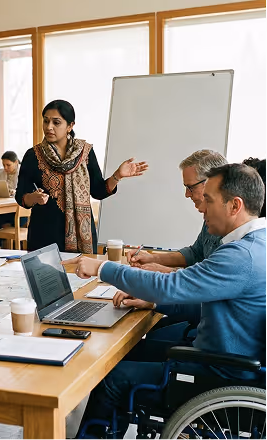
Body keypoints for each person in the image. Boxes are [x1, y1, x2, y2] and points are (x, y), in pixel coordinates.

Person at [65, 164, 266, 440]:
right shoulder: (257, 244)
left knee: (113, 378)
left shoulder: (241, 257)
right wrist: (153, 303)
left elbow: (167, 287)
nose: (202, 208)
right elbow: (211, 302)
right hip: (231, 360)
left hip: (219, 373)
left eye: (208, 200)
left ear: (235, 205)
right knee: (131, 352)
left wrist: (101, 268)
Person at [15, 100, 148, 254]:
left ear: (70, 126)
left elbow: (98, 191)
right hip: (44, 236)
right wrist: (34, 198)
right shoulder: (33, 155)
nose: (49, 127)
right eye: (46, 121)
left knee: (82, 276)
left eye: (56, 122)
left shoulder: (85, 153)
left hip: (82, 237)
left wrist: (117, 175)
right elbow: (21, 196)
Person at [127, 149, 227, 273]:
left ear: (211, 183)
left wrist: (167, 271)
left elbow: (211, 279)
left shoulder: (234, 228)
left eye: (191, 187)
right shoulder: (211, 217)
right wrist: (152, 258)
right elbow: (195, 253)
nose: (187, 194)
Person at [0, 151, 26, 245]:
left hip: (19, 209)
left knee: (14, 220)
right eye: (3, 165)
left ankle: (15, 247)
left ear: (16, 163)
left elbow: (25, 190)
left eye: (8, 165)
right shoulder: (0, 172)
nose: (5, 168)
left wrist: (15, 192)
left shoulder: (23, 172)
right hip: (5, 207)